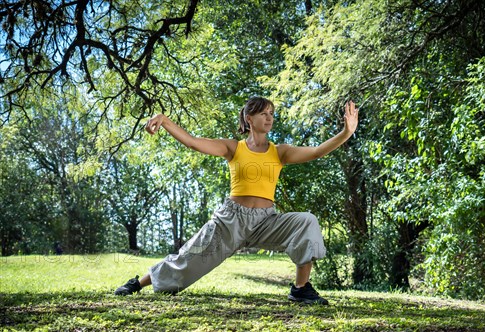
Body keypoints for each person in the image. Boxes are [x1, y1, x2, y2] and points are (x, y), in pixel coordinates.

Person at [114, 97, 359, 304]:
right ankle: (138, 283)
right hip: (230, 221)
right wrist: (164, 120)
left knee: (306, 222)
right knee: (188, 258)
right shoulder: (234, 148)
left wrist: (346, 132)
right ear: (248, 119)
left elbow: (316, 151)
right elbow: (192, 142)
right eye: (263, 113)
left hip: (266, 222)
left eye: (271, 113)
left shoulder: (279, 151)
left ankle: (300, 289)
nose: (269, 117)